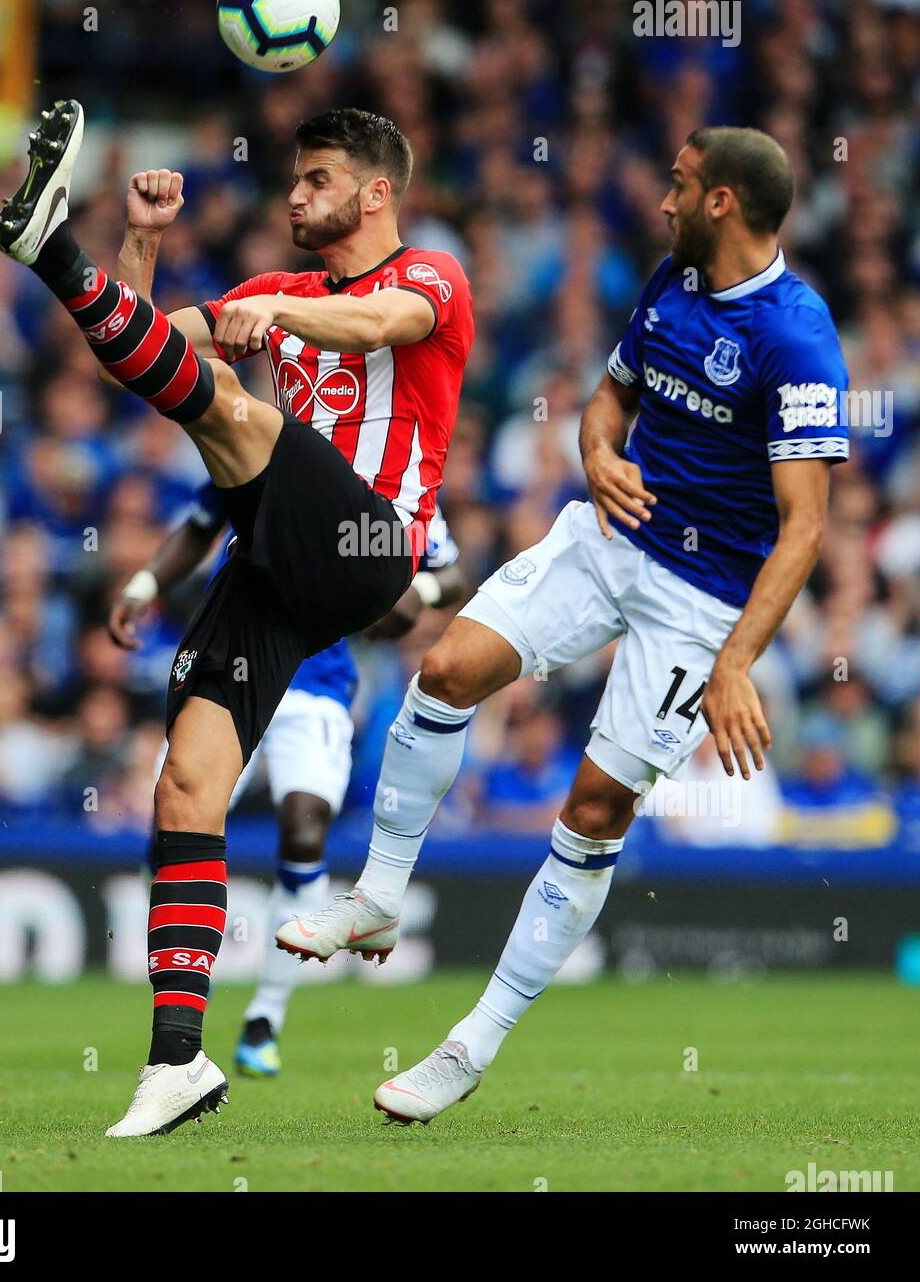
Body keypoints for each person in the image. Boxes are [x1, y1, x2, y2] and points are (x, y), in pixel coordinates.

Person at [280, 126, 851, 1122]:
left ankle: (471, 1045)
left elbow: (805, 523)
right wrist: (597, 453)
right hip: (606, 535)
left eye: (679, 187)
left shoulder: (796, 337)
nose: (663, 202)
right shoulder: (670, 283)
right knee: (447, 667)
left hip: (701, 597)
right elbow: (608, 401)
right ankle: (376, 891)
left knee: (593, 811)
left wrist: (736, 662)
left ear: (722, 202)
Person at [0, 100, 474, 1136]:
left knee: (232, 404)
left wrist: (281, 322)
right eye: (293, 180)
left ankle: (49, 249)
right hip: (272, 562)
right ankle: (177, 1060)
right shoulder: (274, 289)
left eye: (317, 180)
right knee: (186, 786)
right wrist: (144, 244)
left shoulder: (431, 274)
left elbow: (384, 324)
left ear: (375, 192)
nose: (295, 195)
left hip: (368, 546)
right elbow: (138, 358)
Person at [109, 490, 466, 1076]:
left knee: (304, 831)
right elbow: (200, 525)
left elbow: (448, 573)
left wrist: (419, 591)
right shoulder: (268, 450)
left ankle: (264, 1018)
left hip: (314, 686)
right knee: (171, 819)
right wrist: (144, 586)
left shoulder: (396, 482)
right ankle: (179, 977)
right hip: (229, 665)